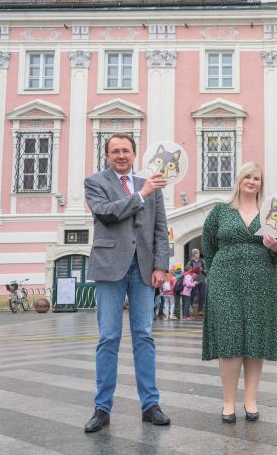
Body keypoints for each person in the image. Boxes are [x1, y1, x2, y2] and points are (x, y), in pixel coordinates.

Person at [82, 133, 171, 433]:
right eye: (115, 151)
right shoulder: (95, 183)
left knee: (144, 335)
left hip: (144, 268)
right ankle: (102, 408)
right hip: (109, 266)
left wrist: (161, 265)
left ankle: (150, 405)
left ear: (135, 154)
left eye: (126, 150)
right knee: (108, 337)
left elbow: (161, 228)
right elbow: (106, 214)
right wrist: (142, 193)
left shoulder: (150, 185)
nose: (121, 155)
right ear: (106, 155)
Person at [201, 162, 277, 423]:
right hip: (225, 281)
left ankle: (250, 399)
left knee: (255, 341)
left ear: (262, 183)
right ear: (239, 180)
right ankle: (228, 402)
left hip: (261, 282)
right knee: (229, 341)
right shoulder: (220, 211)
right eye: (247, 177)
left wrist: (274, 246)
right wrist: (217, 273)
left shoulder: (271, 214)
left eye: (257, 178)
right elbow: (208, 245)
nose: (252, 181)